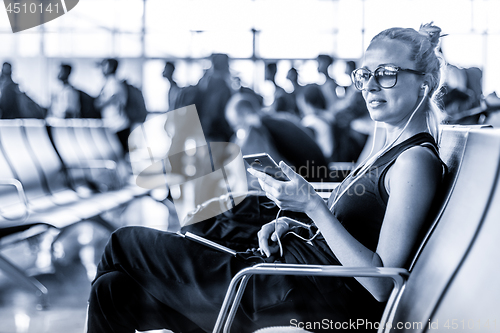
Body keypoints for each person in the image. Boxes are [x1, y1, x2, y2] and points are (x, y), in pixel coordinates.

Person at [87, 23, 447, 333]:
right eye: (364, 74)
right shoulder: (391, 147)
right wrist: (296, 223)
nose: (369, 85)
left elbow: (381, 282)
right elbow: (354, 230)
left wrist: (312, 206)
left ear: (424, 84)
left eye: (386, 73)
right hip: (290, 276)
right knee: (112, 292)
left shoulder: (415, 161)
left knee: (122, 243)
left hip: (302, 295)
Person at [94, 58, 130, 154]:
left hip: (118, 125)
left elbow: (104, 102)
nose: (101, 69)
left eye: (104, 66)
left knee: (120, 154)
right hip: (113, 124)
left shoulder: (114, 83)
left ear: (110, 67)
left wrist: (98, 103)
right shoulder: (108, 83)